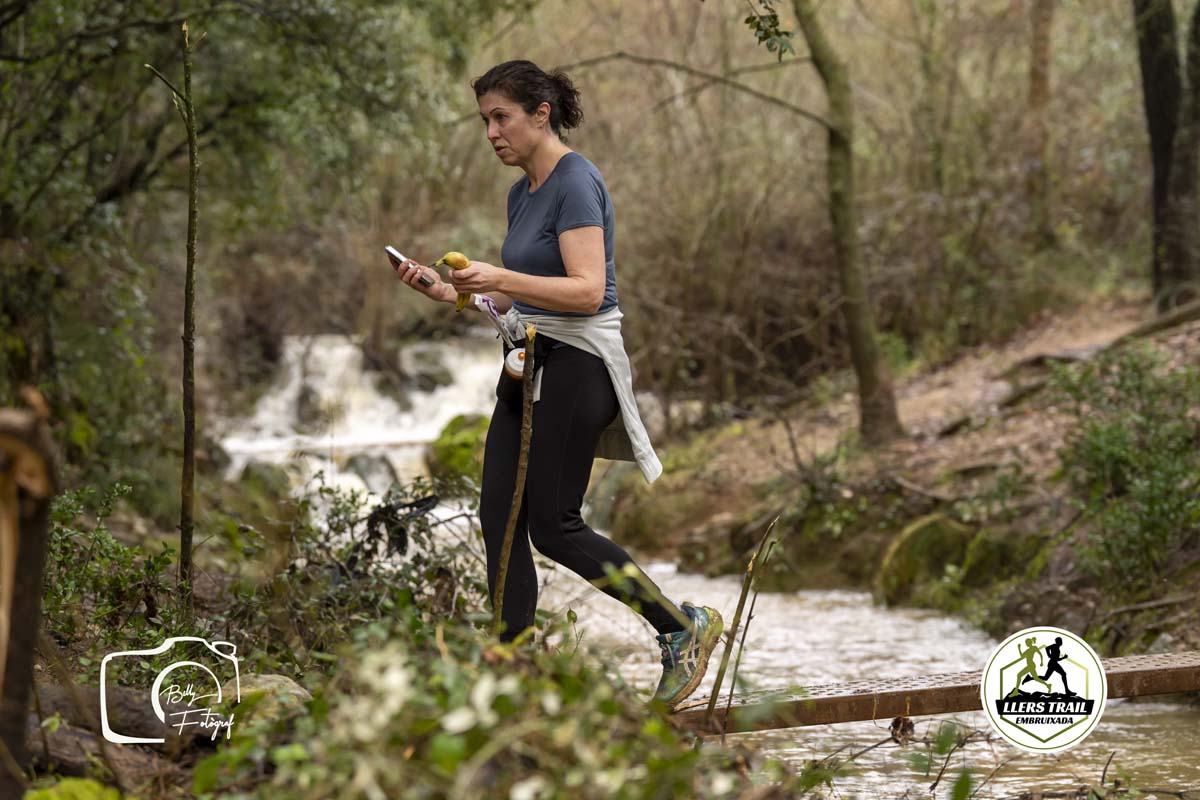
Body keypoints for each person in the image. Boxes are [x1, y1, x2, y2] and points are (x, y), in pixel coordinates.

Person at [392, 60, 723, 710]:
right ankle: (510, 674)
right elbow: (518, 300)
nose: (491, 132)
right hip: (526, 360)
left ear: (541, 113)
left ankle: (680, 628)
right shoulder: (522, 193)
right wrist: (450, 292)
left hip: (578, 364)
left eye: (501, 117)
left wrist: (498, 276)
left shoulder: (576, 182)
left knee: (554, 526)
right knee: (499, 518)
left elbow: (587, 290)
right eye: (484, 120)